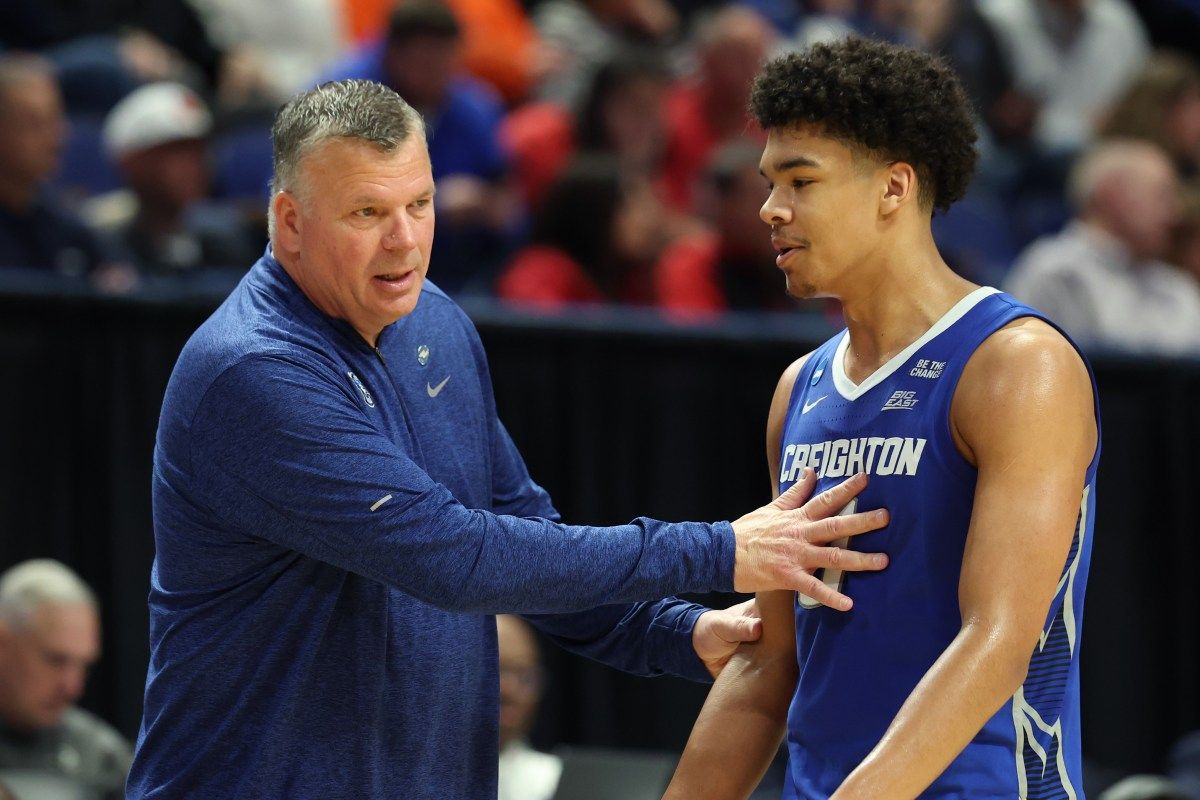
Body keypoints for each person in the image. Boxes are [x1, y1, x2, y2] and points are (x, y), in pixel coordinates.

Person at [125, 78, 892, 799]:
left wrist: (681, 631)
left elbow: (525, 542)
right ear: (291, 222)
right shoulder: (253, 372)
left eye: (419, 204)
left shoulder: (435, 322)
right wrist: (720, 549)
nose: (404, 242)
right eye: (367, 214)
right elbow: (457, 558)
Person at [664, 38, 1100, 799]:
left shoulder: (1017, 363)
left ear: (894, 188)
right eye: (770, 181)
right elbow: (770, 664)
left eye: (801, 179)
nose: (771, 207)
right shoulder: (798, 388)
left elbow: (997, 641)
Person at [1004, 139, 1200, 355]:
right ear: (1112, 194)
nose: (1175, 213)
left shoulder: (1177, 287)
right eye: (1162, 196)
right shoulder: (1055, 273)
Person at [0, 560, 131, 800]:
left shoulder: (102, 756)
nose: (72, 687)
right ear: (3, 642)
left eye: (84, 666)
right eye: (56, 660)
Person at [496, 614, 561, 800]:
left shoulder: (553, 781)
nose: (508, 690)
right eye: (495, 670)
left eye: (525, 676)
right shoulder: (419, 779)